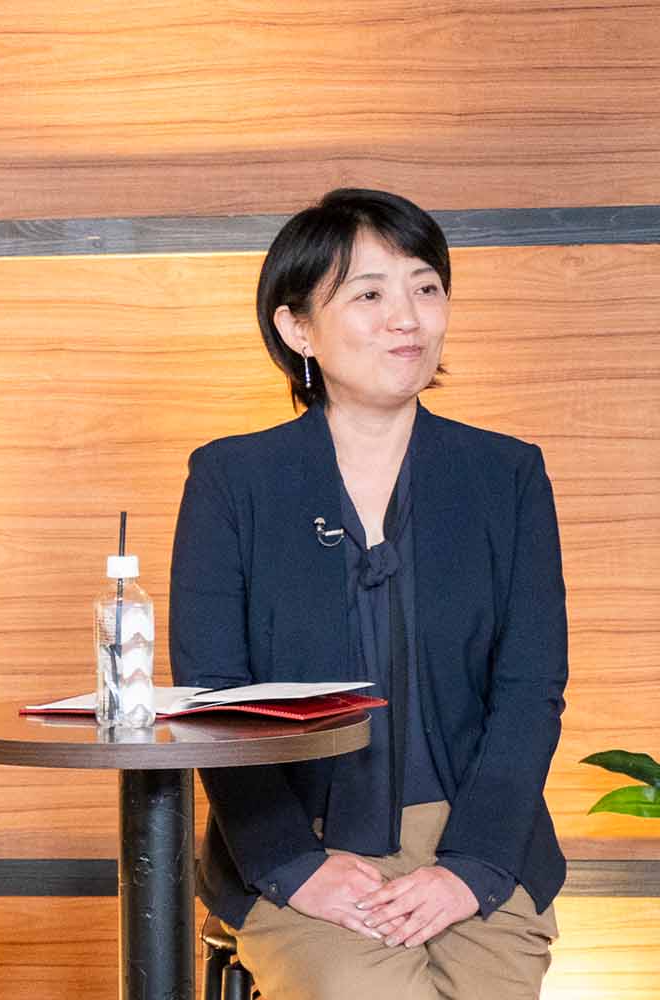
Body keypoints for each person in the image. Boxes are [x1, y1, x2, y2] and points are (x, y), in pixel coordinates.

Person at [171, 188, 564, 998]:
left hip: (479, 835)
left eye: (426, 287)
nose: (407, 318)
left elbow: (531, 688)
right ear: (297, 328)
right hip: (300, 841)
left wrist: (472, 867)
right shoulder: (233, 479)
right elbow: (213, 694)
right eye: (370, 295)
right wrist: (294, 864)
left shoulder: (507, 474)